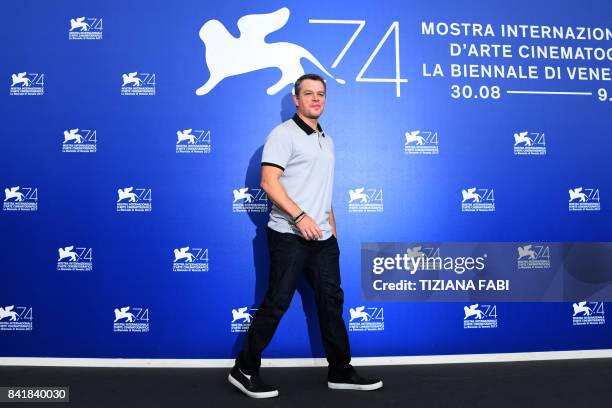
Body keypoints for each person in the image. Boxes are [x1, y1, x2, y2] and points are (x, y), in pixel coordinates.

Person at [228, 73, 383, 398]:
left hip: (323, 239)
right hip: (288, 235)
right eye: (309, 94)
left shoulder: (326, 139)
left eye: (321, 94)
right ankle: (243, 369)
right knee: (277, 302)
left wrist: (332, 231)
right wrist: (299, 217)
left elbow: (322, 192)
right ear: (296, 100)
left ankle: (340, 371)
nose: (316, 99)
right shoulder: (283, 135)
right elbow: (269, 182)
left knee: (331, 303)